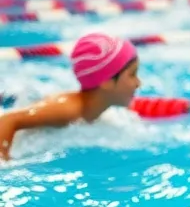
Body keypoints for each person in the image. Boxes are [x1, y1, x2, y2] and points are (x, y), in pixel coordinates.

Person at [0, 34, 140, 161]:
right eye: (132, 75)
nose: (138, 83)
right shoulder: (68, 109)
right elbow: (7, 119)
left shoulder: (95, 111)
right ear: (106, 81)